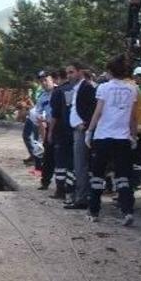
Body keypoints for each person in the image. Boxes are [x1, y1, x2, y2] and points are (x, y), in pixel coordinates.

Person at [85, 55, 137, 226]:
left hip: (103, 137)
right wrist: (133, 135)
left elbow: (98, 112)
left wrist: (89, 131)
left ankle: (94, 211)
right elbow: (133, 117)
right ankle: (127, 211)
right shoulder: (132, 89)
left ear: (109, 71)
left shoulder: (104, 88)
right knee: (123, 176)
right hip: (122, 138)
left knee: (97, 175)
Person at [69, 62, 97, 210]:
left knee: (81, 165)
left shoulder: (87, 87)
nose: (69, 75)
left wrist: (85, 125)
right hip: (77, 130)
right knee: (78, 165)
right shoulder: (77, 88)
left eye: (71, 72)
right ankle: (79, 196)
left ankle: (82, 199)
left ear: (80, 72)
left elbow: (94, 109)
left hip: (82, 131)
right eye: (68, 73)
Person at [50, 65, 78, 204]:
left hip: (60, 131)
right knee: (72, 161)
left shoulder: (58, 92)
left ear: (57, 78)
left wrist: (50, 132)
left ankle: (60, 189)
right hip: (74, 130)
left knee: (60, 161)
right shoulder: (76, 89)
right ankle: (70, 188)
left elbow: (54, 115)